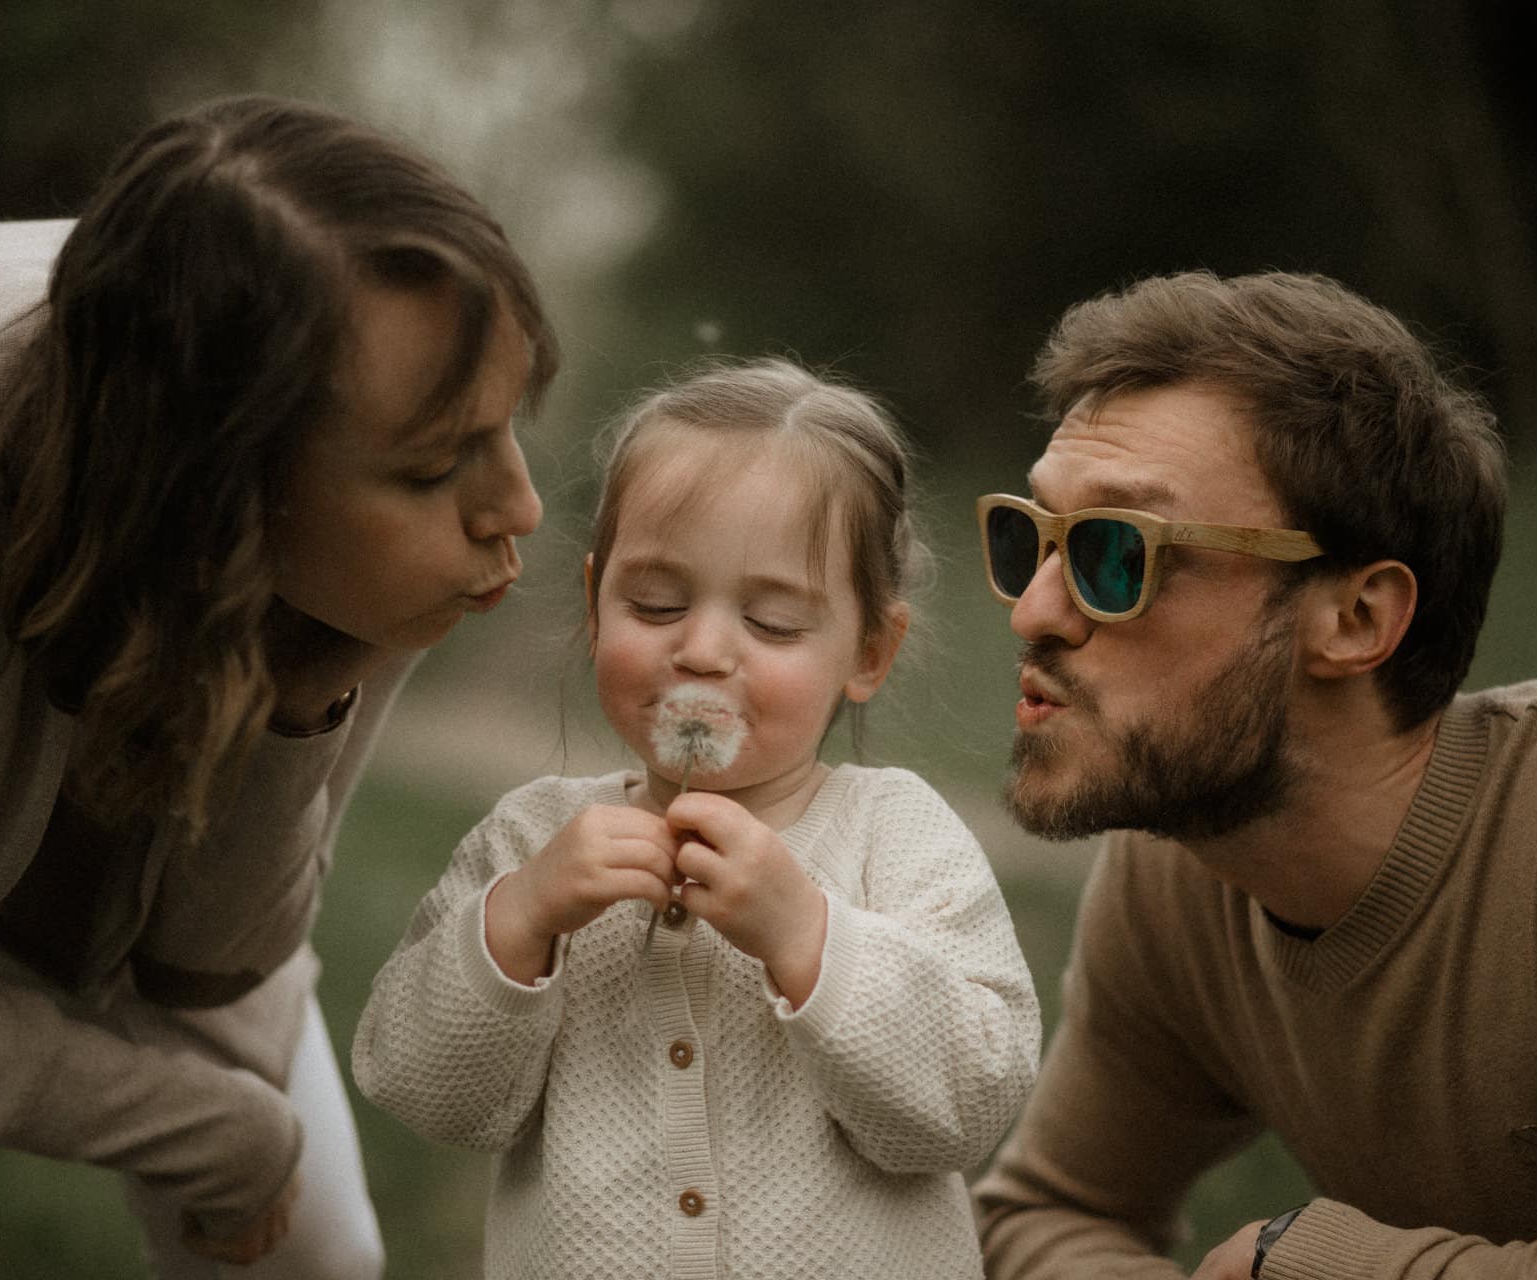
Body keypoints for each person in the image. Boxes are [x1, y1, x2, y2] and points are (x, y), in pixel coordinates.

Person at [0, 94, 556, 1278]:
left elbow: (208, 959)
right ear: (225, 481)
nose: (517, 508)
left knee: (314, 1249)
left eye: (503, 430)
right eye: (439, 466)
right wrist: (208, 1130)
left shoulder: (367, 533)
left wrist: (302, 693)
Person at [969, 270, 1537, 1277]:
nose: (1033, 610)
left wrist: (1303, 1263)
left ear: (1358, 618)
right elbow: (1048, 1211)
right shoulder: (1182, 870)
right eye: (1028, 537)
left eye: (1115, 551)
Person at [351, 357, 1041, 1278]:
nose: (704, 650)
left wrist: (808, 935)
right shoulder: (532, 839)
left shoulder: (895, 835)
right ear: (598, 606)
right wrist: (519, 919)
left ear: (868, 650)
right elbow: (420, 1086)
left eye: (774, 623)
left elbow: (973, 1103)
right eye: (657, 604)